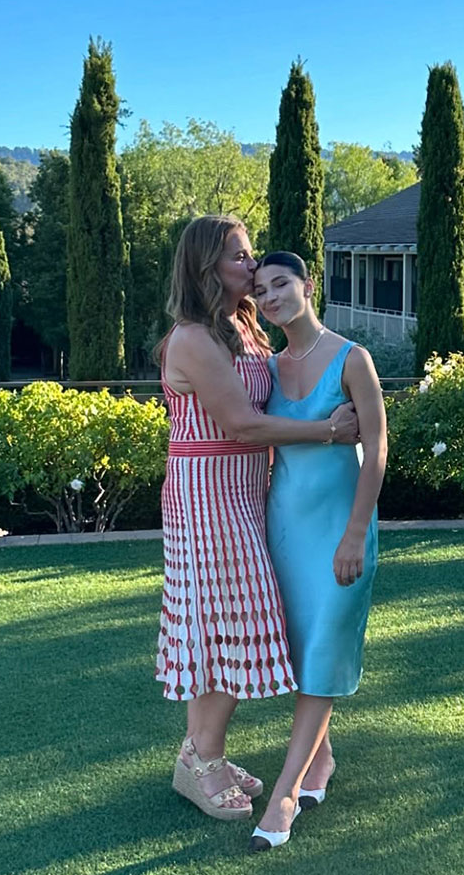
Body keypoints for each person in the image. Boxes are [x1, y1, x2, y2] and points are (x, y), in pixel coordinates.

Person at [155, 217, 359, 823]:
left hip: (246, 488)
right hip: (207, 493)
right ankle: (204, 760)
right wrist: (329, 430)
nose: (252, 267)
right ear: (206, 268)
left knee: (224, 618)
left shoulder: (242, 326)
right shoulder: (192, 338)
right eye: (240, 258)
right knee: (224, 620)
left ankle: (198, 757)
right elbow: (241, 424)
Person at [248, 251, 387, 851]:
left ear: (308, 285)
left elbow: (378, 449)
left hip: (339, 528)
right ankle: (321, 757)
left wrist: (356, 532)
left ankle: (285, 791)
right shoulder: (267, 368)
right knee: (300, 649)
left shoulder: (353, 358)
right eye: (260, 290)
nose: (271, 296)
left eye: (281, 283)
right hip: (284, 529)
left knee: (325, 649)